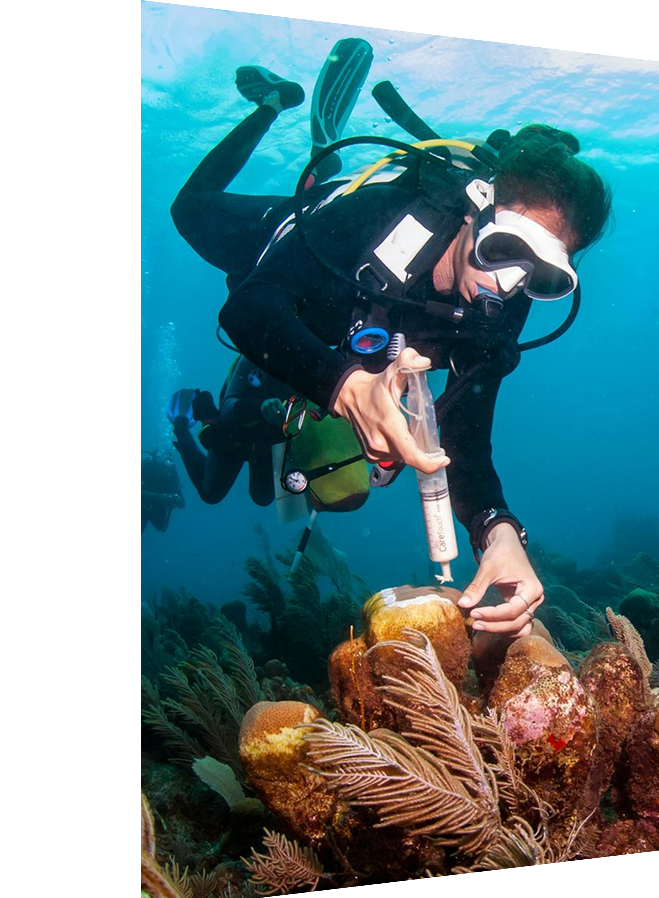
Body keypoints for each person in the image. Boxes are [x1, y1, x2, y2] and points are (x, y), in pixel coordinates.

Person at [170, 43, 612, 638]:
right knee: (189, 210)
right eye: (505, 248)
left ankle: (314, 148)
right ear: (475, 210)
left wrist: (499, 530)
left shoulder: (501, 307)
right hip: (304, 248)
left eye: (543, 276)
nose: (509, 283)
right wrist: (343, 385)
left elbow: (466, 444)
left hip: (346, 338)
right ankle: (273, 105)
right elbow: (248, 307)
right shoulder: (384, 213)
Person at [168, 357, 291, 506]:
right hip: (233, 436)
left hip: (266, 442)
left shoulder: (306, 364)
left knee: (262, 498)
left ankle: (201, 415)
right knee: (210, 494)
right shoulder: (252, 357)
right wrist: (260, 407)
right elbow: (228, 405)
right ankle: (182, 428)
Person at [141, 448, 186, 533]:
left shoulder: (171, 476)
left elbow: (183, 504)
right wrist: (160, 498)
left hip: (155, 512)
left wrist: (177, 499)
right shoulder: (147, 470)